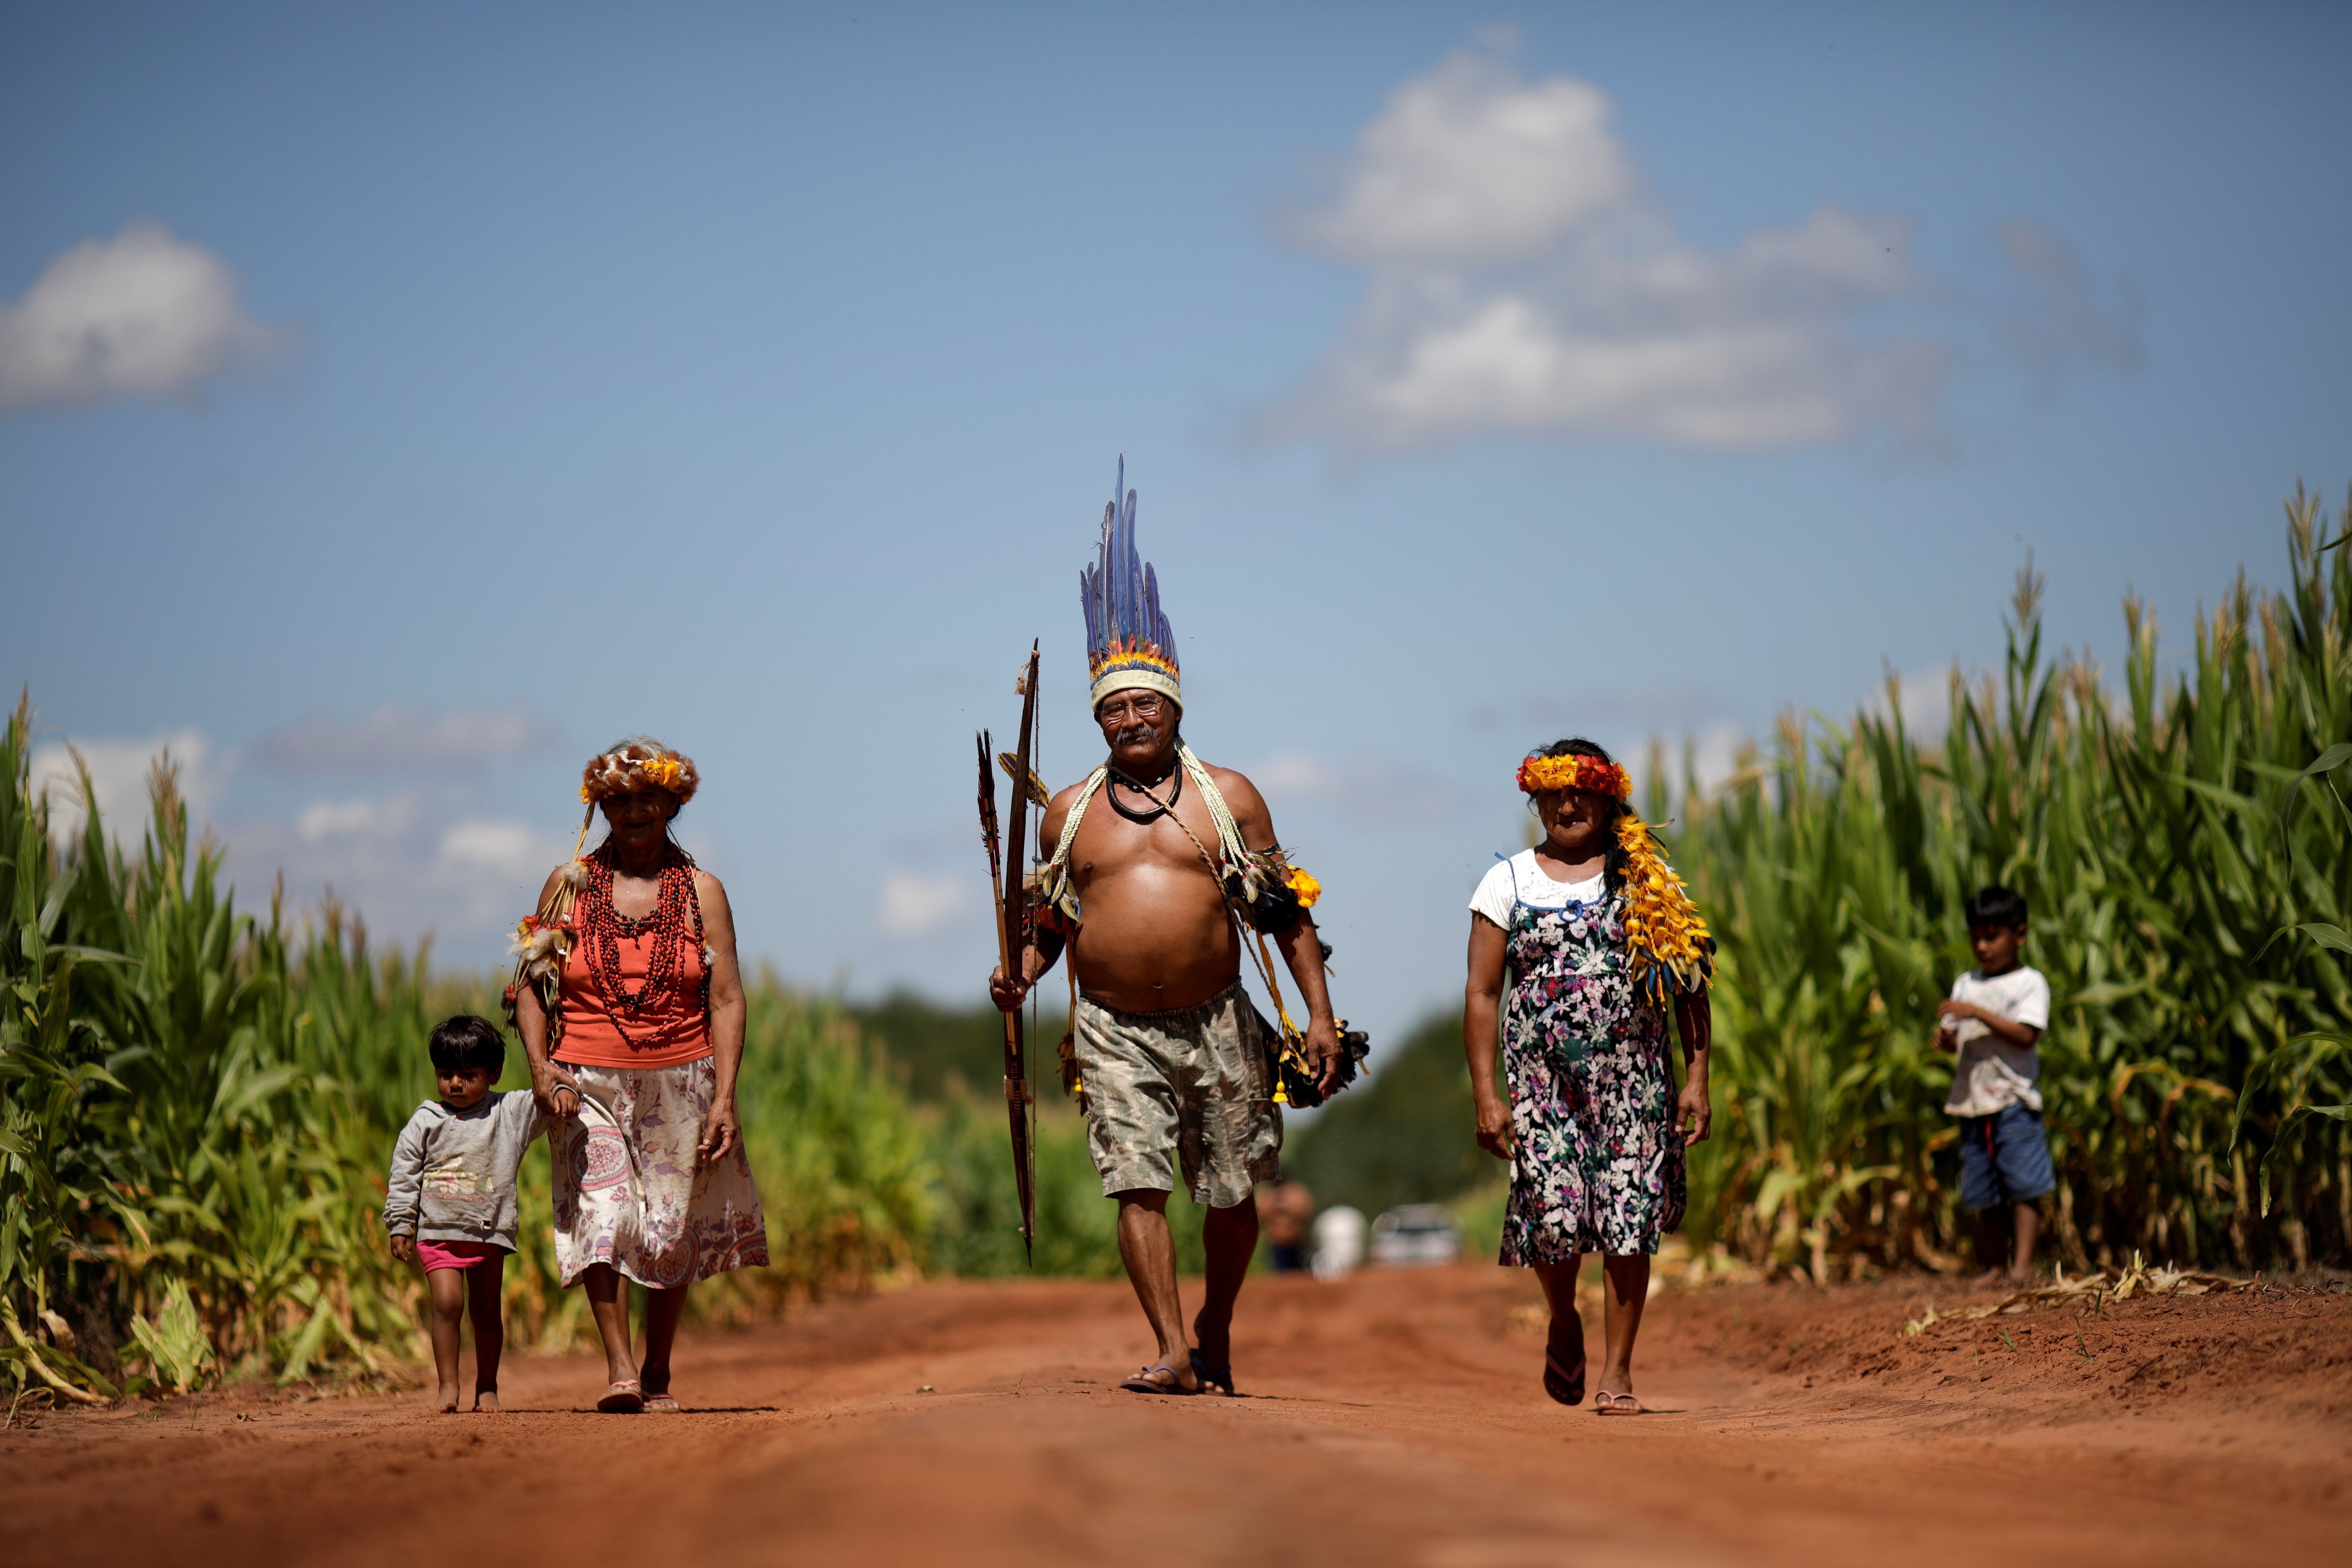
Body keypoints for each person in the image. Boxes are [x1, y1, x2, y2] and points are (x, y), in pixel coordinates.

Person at [990, 459, 1350, 1397]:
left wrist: (1318, 1015)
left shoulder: (1227, 800)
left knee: (1232, 1193)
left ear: (1174, 708)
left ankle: (1217, 1322)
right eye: (1114, 709)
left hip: (1218, 1020)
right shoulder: (1068, 814)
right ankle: (1169, 1348)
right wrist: (1020, 976)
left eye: (1145, 703)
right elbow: (1050, 926)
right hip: (1113, 1027)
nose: (1131, 718)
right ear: (1100, 722)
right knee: (1136, 1183)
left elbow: (1281, 913)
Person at [508, 738, 769, 1414]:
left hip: (683, 1081)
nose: (633, 812)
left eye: (647, 799)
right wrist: (543, 1070)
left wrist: (726, 1097)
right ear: (601, 808)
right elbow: (529, 988)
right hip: (585, 1083)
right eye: (618, 800)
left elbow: (728, 998)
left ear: (672, 803)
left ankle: (658, 1365)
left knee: (669, 1227)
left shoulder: (702, 892)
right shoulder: (570, 887)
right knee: (605, 1213)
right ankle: (620, 1366)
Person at [1463, 739, 1714, 1417]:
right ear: (1535, 799)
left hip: (1635, 1081)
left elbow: (1690, 984)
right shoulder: (1506, 882)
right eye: (1553, 792)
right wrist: (1488, 1095)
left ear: (1608, 798)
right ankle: (1563, 1317)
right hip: (1542, 1085)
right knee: (1553, 1212)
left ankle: (1618, 1371)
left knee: (1629, 1216)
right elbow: (1483, 992)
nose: (1567, 804)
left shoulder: (1645, 880)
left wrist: (1696, 1079)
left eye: (1582, 791)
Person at [383, 1014, 552, 1414]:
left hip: (487, 1232)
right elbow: (404, 1172)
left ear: (493, 1073)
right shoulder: (426, 1121)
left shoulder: (508, 1113)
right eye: (446, 1074)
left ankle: (488, 1387)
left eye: (467, 1074)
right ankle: (447, 1386)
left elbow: (546, 1100)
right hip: (438, 1231)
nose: (455, 1084)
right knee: (447, 1304)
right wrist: (401, 1222)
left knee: (487, 1310)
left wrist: (553, 1069)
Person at [1934, 884, 2053, 1286]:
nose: (1982, 947)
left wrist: (1977, 1014)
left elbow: (2026, 1035)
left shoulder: (2029, 984)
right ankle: (1994, 1267)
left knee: (2023, 1186)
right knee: (1984, 1190)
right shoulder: (1965, 984)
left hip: (2014, 1102)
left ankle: (2021, 1268)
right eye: (1976, 938)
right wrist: (1947, 1040)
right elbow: (1956, 1040)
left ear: (2019, 935)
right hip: (1972, 1103)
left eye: (1992, 937)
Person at [1257, 1179, 1317, 1272]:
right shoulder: (1267, 1195)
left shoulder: (1296, 1193)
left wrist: (1288, 1207)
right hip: (1276, 1243)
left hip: (1297, 1241)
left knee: (1300, 1271)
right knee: (1280, 1272)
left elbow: (1306, 1211)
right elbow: (1260, 1215)